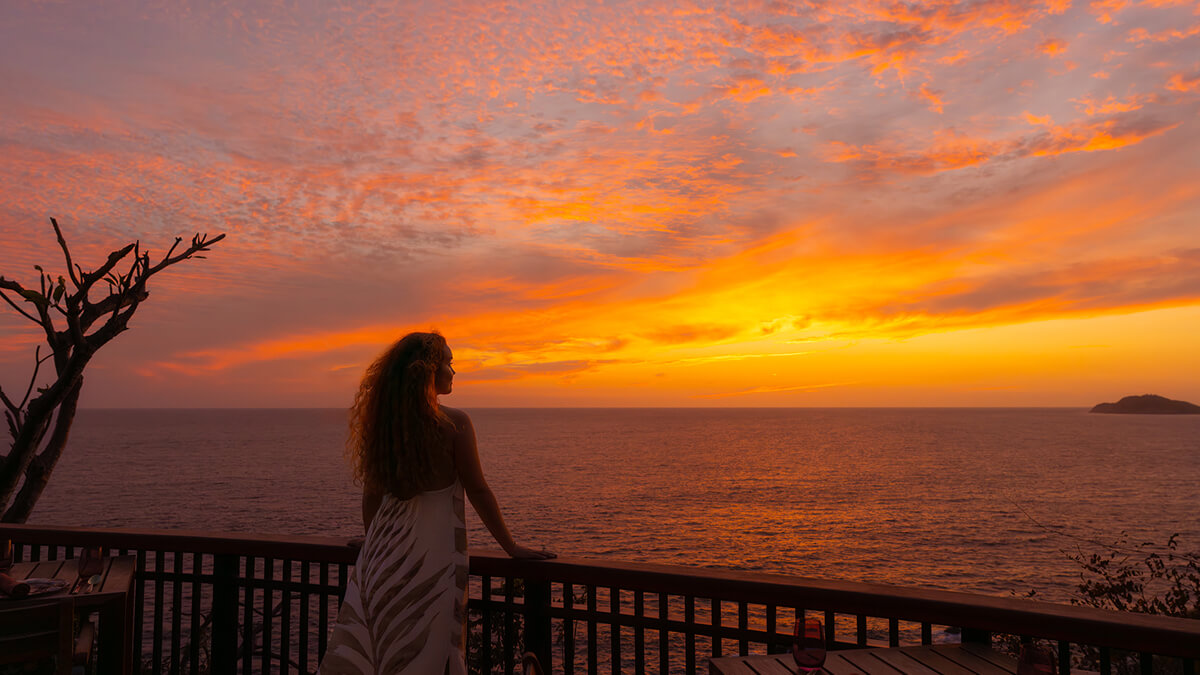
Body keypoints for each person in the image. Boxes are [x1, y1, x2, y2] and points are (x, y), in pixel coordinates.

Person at [319, 332, 554, 674]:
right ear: (429, 371)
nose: (454, 371)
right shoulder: (455, 423)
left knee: (378, 656)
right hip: (430, 566)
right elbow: (479, 491)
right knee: (422, 657)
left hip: (380, 561)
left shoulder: (388, 427)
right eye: (448, 362)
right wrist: (511, 546)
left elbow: (372, 495)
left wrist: (373, 543)